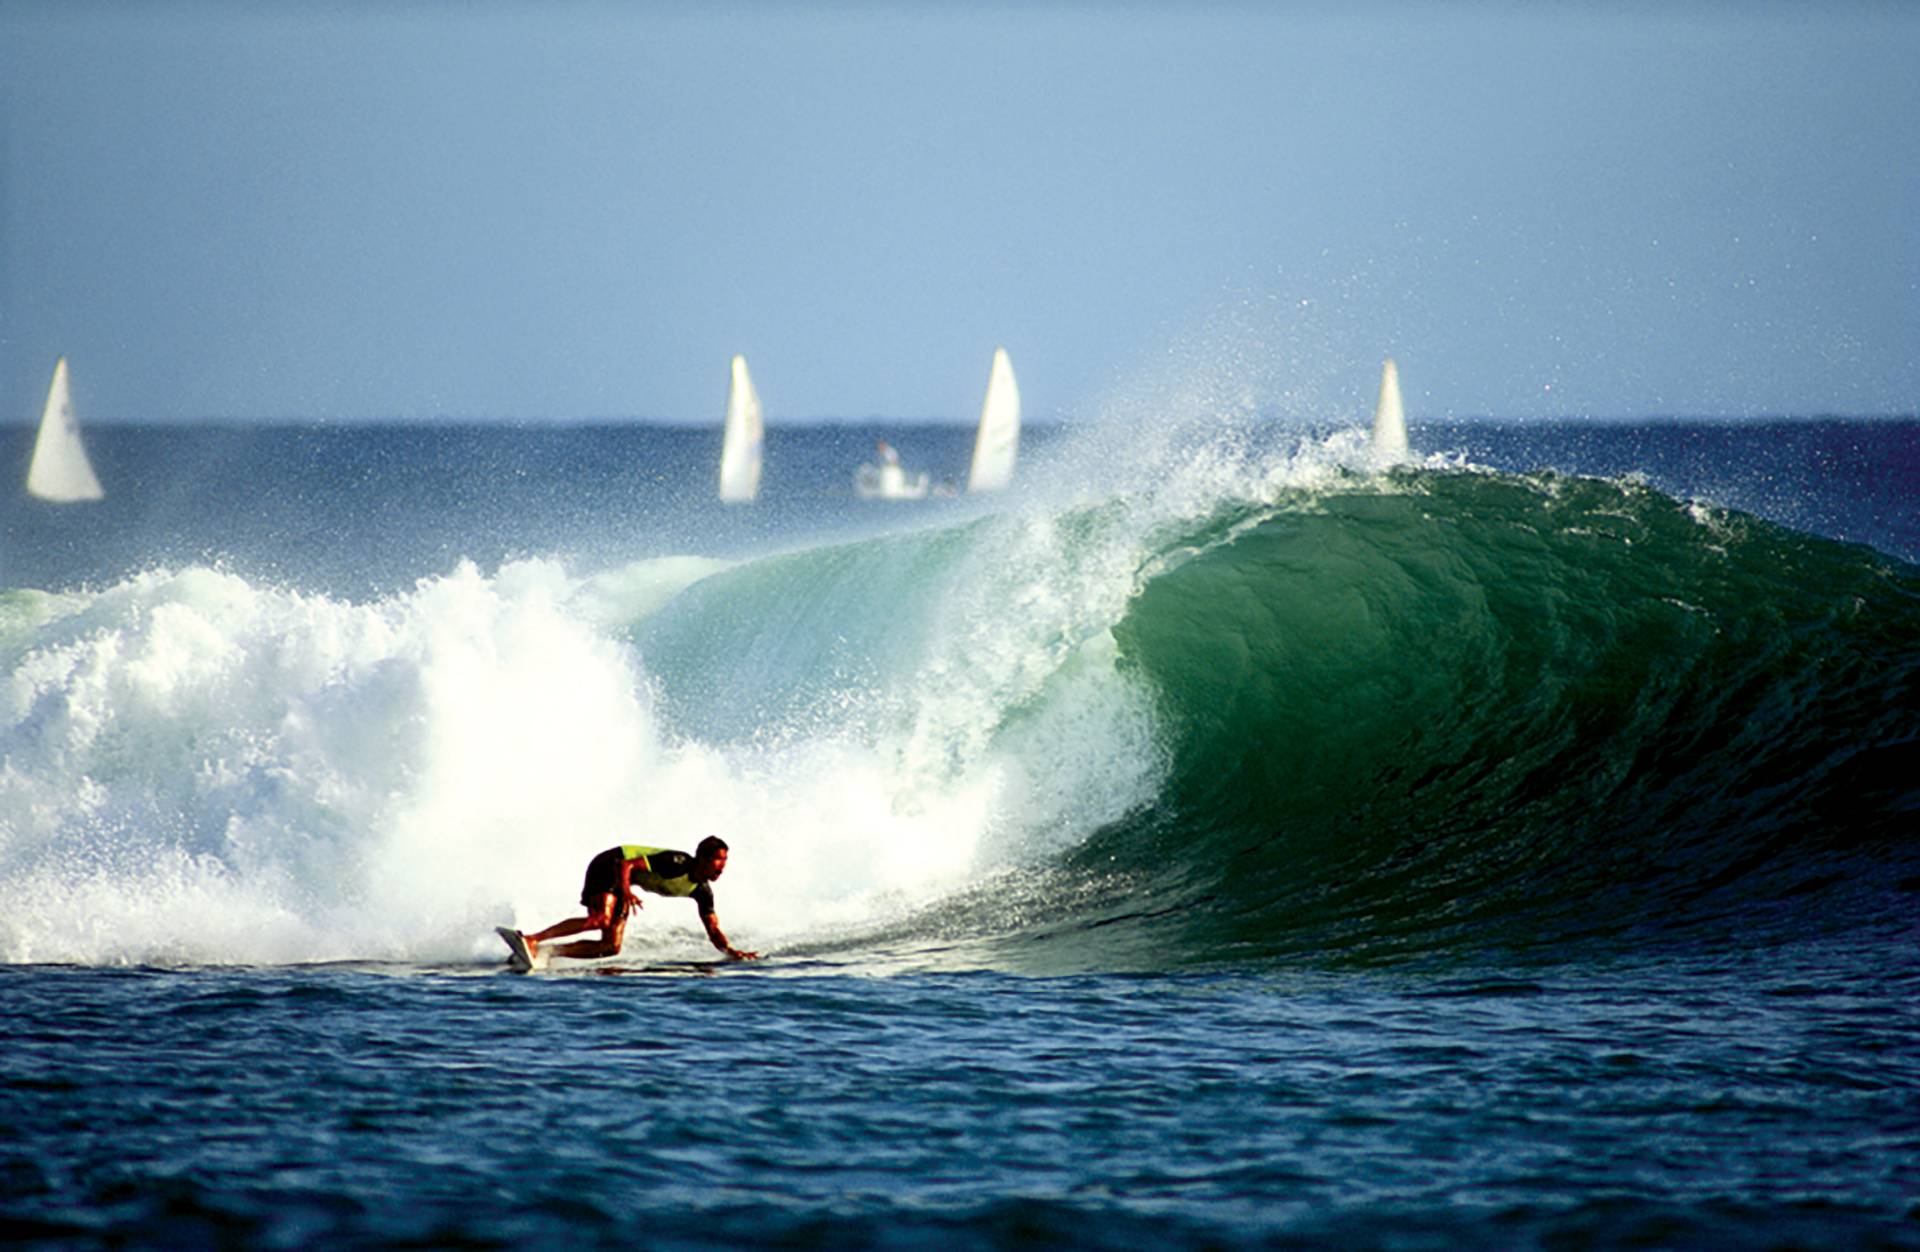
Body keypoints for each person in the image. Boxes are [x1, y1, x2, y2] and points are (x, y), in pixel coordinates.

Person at [510, 837, 758, 963]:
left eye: (724, 862)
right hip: (611, 864)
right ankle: (531, 939)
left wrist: (731, 952)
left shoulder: (701, 892)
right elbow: (627, 864)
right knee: (600, 919)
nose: (721, 867)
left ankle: (545, 953)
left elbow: (713, 929)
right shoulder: (677, 863)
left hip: (625, 882)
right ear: (702, 858)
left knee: (610, 947)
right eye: (717, 861)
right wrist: (626, 891)